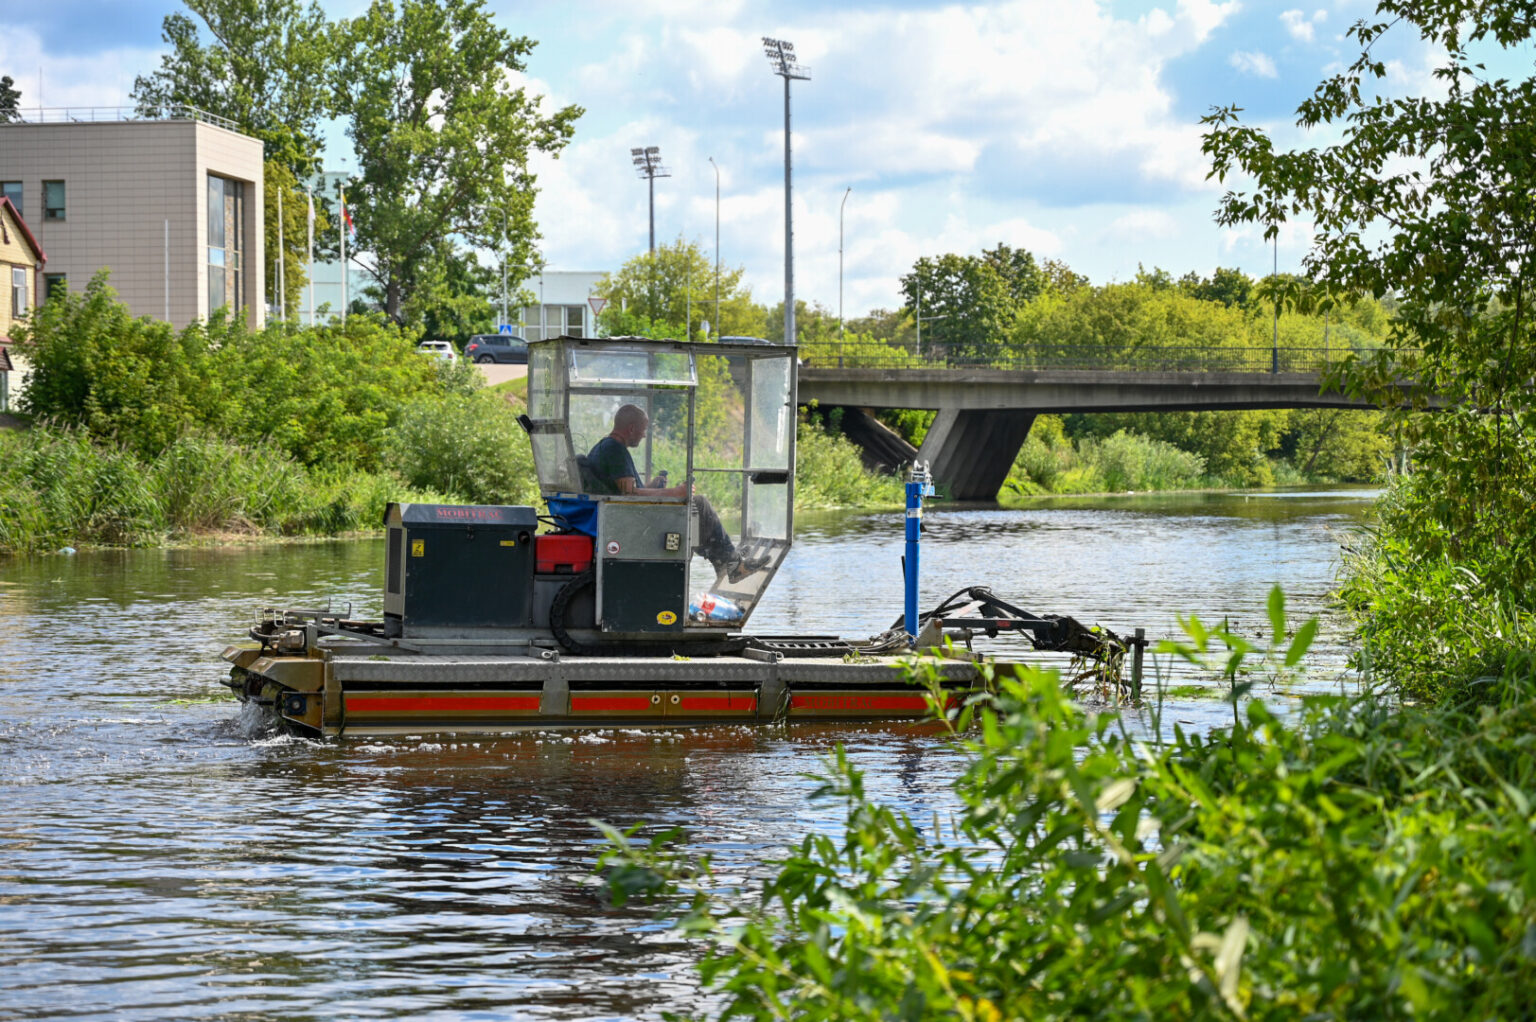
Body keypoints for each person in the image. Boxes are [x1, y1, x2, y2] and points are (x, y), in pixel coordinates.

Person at [586, 404, 762, 582]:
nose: (644, 434)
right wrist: (675, 492)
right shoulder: (614, 449)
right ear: (631, 428)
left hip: (629, 519)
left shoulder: (605, 447)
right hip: (634, 526)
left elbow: (627, 492)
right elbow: (628, 495)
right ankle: (729, 563)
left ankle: (728, 561)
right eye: (643, 429)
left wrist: (654, 486)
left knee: (696, 514)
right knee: (700, 505)